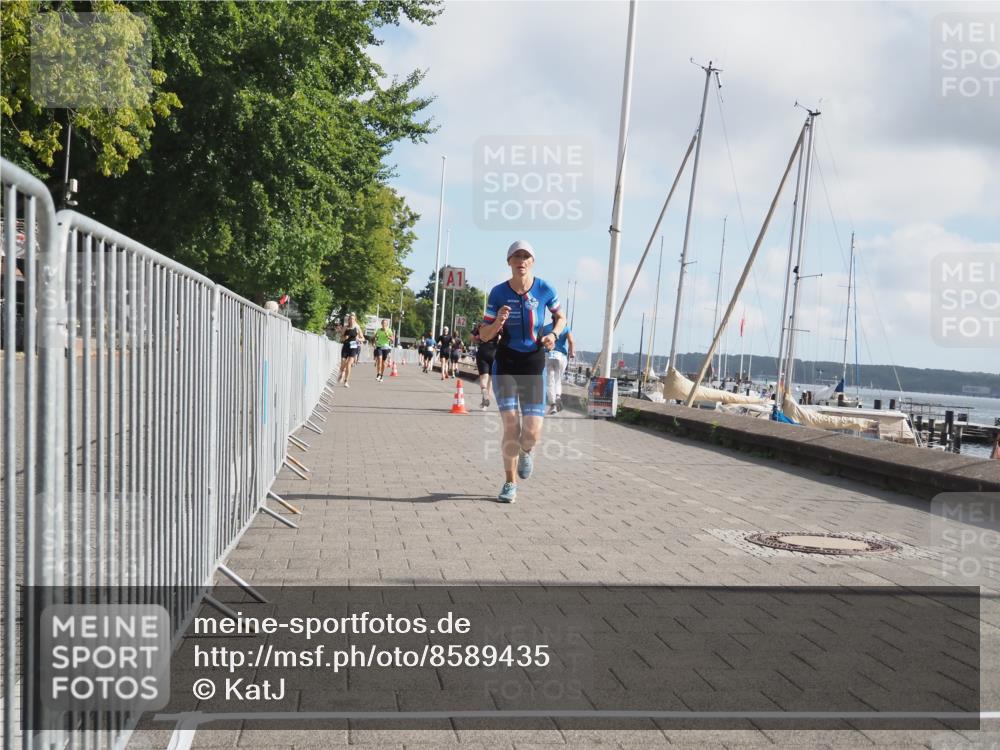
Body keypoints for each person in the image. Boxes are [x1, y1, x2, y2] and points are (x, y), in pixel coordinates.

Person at [478, 240, 566, 504]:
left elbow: (560, 318)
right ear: (509, 262)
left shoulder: (545, 289)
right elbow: (483, 335)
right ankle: (509, 483)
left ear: (532, 262)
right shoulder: (497, 293)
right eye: (516, 257)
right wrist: (498, 323)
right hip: (505, 362)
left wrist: (553, 333)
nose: (521, 261)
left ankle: (527, 451)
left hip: (533, 362)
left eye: (526, 257)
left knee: (531, 432)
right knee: (510, 426)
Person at [541, 322, 575, 414]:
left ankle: (553, 405)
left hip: (548, 354)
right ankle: (558, 396)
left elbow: (541, 341)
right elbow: (571, 342)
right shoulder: (566, 328)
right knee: (558, 379)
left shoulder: (546, 328)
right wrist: (572, 352)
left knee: (550, 380)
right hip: (561, 356)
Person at [472, 321, 498, 410]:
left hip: (483, 350)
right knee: (490, 380)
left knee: (483, 379)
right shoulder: (497, 324)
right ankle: (485, 405)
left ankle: (484, 394)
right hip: (494, 351)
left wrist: (478, 338)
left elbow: (472, 337)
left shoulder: (481, 325)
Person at [338, 314, 362, 388]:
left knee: (349, 364)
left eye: (353, 319)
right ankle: (342, 372)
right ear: (348, 320)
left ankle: (346, 381)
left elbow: (363, 338)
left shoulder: (357, 328)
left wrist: (358, 339)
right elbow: (341, 338)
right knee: (343, 363)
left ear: (355, 320)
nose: (351, 320)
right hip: (346, 346)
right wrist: (344, 337)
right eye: (350, 319)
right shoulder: (345, 327)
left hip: (353, 347)